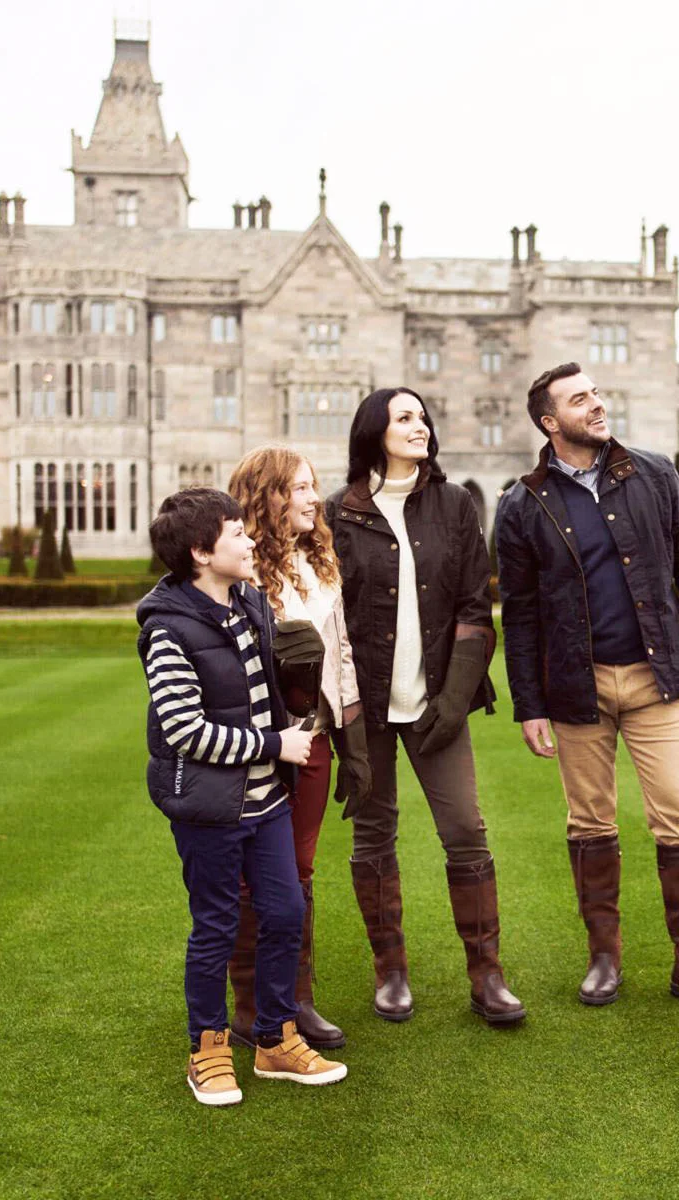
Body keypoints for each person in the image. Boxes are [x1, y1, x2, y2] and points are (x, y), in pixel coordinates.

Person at [494, 362, 679, 1014]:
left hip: (656, 678)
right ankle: (604, 960)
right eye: (580, 400)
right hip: (576, 690)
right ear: (550, 422)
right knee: (590, 824)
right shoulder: (522, 504)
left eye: (597, 394)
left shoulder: (653, 473)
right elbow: (519, 613)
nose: (597, 405)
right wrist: (529, 704)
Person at [136, 487, 348, 1105]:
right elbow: (184, 730)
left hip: (266, 804)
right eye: (236, 533)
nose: (250, 539)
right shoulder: (168, 630)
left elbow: (269, 695)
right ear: (202, 551)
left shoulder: (249, 601)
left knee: (285, 913)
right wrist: (273, 746)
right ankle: (207, 1048)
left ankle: (275, 1039)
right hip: (210, 809)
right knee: (217, 927)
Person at [323, 387, 524, 1025]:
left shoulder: (456, 505)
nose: (420, 426)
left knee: (465, 831)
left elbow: (474, 605)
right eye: (403, 417)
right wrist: (344, 713)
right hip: (368, 709)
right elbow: (330, 617)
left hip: (440, 701)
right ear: (373, 432)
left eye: (422, 417)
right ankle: (391, 973)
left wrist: (457, 696)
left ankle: (487, 976)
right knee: (373, 834)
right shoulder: (338, 513)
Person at [223, 446, 371, 1054]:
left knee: (300, 870)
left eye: (314, 487)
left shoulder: (320, 563)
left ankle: (295, 999)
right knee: (250, 878)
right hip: (258, 746)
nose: (315, 498)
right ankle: (249, 1005)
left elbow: (341, 655)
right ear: (269, 497)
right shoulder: (238, 568)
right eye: (302, 488)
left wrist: (352, 740)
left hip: (312, 740)